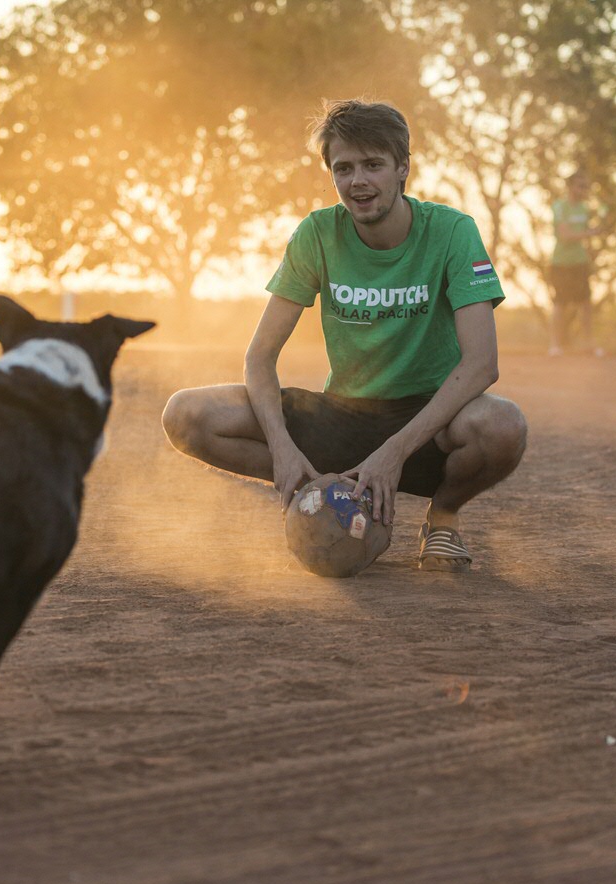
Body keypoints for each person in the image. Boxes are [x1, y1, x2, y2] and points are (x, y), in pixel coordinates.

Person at [161, 100, 527, 572]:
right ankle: (319, 490)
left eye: (374, 165)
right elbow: (260, 357)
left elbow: (481, 364)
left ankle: (443, 520)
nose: (359, 182)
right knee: (187, 414)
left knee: (503, 426)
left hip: (426, 425)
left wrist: (393, 452)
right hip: (341, 415)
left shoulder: (453, 232)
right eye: (344, 168)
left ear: (403, 169)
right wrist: (283, 452)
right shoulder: (316, 234)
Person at [548, 169, 603, 357]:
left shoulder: (584, 208)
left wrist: (594, 230)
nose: (584, 190)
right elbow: (565, 235)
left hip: (580, 261)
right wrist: (589, 233)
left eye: (585, 186)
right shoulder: (560, 206)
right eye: (580, 186)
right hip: (561, 262)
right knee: (560, 304)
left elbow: (587, 231)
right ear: (570, 187)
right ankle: (555, 345)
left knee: (585, 303)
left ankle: (589, 344)